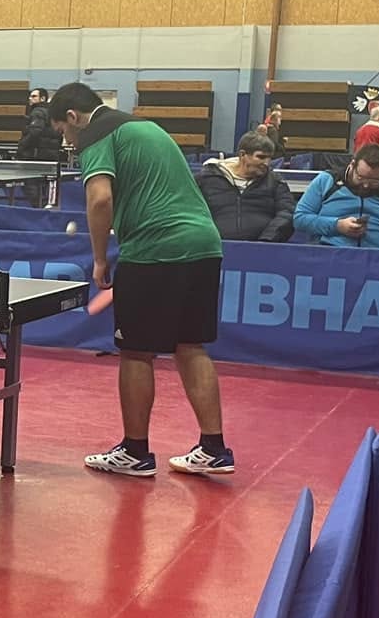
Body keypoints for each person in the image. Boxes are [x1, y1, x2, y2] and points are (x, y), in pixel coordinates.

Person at [46, 82, 231, 478]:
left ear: (74, 117)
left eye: (63, 131)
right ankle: (214, 448)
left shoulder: (96, 135)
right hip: (204, 243)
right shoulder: (144, 127)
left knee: (135, 352)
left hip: (154, 249)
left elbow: (100, 199)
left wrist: (99, 258)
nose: (67, 141)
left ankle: (135, 451)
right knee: (189, 345)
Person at [295, 146, 379, 250]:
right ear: (352, 165)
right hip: (328, 251)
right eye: (360, 177)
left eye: (374, 181)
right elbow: (300, 218)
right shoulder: (327, 180)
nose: (366, 185)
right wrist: (337, 226)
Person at [196, 132, 294, 242]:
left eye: (269, 158)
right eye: (261, 157)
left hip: (264, 249)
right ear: (242, 155)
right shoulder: (207, 178)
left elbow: (287, 213)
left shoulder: (275, 182)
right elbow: (192, 212)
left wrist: (266, 241)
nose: (266, 163)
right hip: (213, 247)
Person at [15, 88, 57, 161]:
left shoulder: (38, 112)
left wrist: (22, 147)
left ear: (42, 98)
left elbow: (35, 132)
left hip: (35, 155)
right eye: (30, 96)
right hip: (49, 155)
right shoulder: (51, 112)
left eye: (34, 96)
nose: (30, 98)